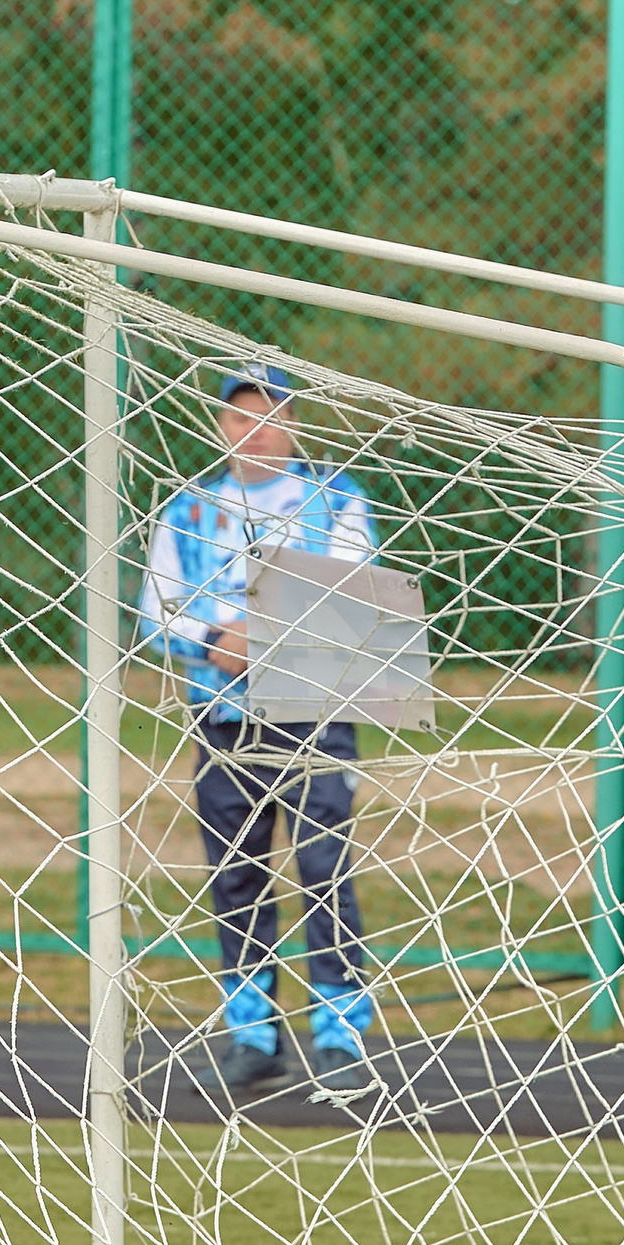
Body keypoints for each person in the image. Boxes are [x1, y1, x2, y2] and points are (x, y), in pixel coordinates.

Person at [139, 364, 378, 1097]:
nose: (257, 428)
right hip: (222, 718)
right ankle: (254, 1033)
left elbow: (357, 589)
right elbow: (157, 613)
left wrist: (265, 633)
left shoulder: (335, 498)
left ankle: (340, 1034)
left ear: (294, 422)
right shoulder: (187, 510)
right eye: (242, 415)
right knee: (237, 874)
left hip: (314, 714)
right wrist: (217, 638)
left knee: (322, 869)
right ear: (222, 424)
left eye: (271, 413)